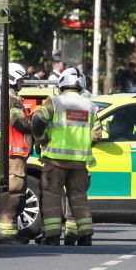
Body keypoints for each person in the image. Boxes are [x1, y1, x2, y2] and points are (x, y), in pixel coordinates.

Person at [31, 67, 102, 246]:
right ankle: (85, 236)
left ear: (62, 83)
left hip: (55, 161)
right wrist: (83, 142)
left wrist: (42, 139)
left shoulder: (55, 102)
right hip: (79, 163)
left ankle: (52, 236)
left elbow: (38, 120)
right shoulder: (91, 106)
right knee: (79, 198)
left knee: (52, 197)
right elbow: (97, 134)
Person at [0, 63, 34, 245]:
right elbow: (18, 122)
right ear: (11, 79)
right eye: (20, 79)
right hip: (14, 151)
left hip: (15, 151)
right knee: (14, 191)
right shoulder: (11, 100)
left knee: (16, 191)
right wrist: (35, 124)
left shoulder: (10, 97)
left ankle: (9, 231)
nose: (22, 83)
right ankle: (7, 233)